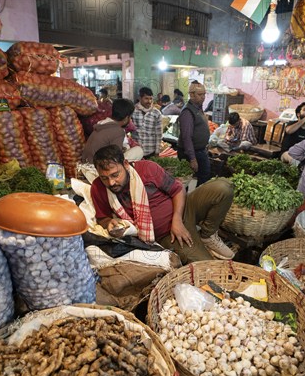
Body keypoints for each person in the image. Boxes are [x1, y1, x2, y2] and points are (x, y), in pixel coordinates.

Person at [90, 144, 235, 264]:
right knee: (205, 265)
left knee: (223, 188)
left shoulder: (147, 169)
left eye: (115, 175)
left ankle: (207, 235)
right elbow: (102, 218)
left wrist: (177, 220)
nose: (111, 182)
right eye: (104, 178)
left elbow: (177, 190)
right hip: (165, 234)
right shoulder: (98, 188)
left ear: (126, 165)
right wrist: (109, 222)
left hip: (184, 210)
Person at [82, 98, 143, 163]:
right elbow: (116, 158)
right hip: (96, 168)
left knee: (126, 147)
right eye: (130, 117)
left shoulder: (102, 124)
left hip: (86, 163)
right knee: (139, 150)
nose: (130, 120)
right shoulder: (118, 131)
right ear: (126, 118)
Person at [178, 81, 211, 185]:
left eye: (204, 94)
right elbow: (186, 137)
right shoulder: (187, 112)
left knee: (204, 178)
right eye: (200, 94)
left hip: (200, 151)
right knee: (187, 181)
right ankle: (192, 200)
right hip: (191, 153)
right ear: (191, 95)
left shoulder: (198, 108)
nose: (203, 97)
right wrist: (192, 158)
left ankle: (197, 199)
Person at [131, 87, 163, 159]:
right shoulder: (133, 111)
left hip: (150, 151)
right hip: (135, 150)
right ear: (140, 98)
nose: (149, 101)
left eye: (151, 98)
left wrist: (157, 151)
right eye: (146, 98)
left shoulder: (156, 113)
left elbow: (159, 134)